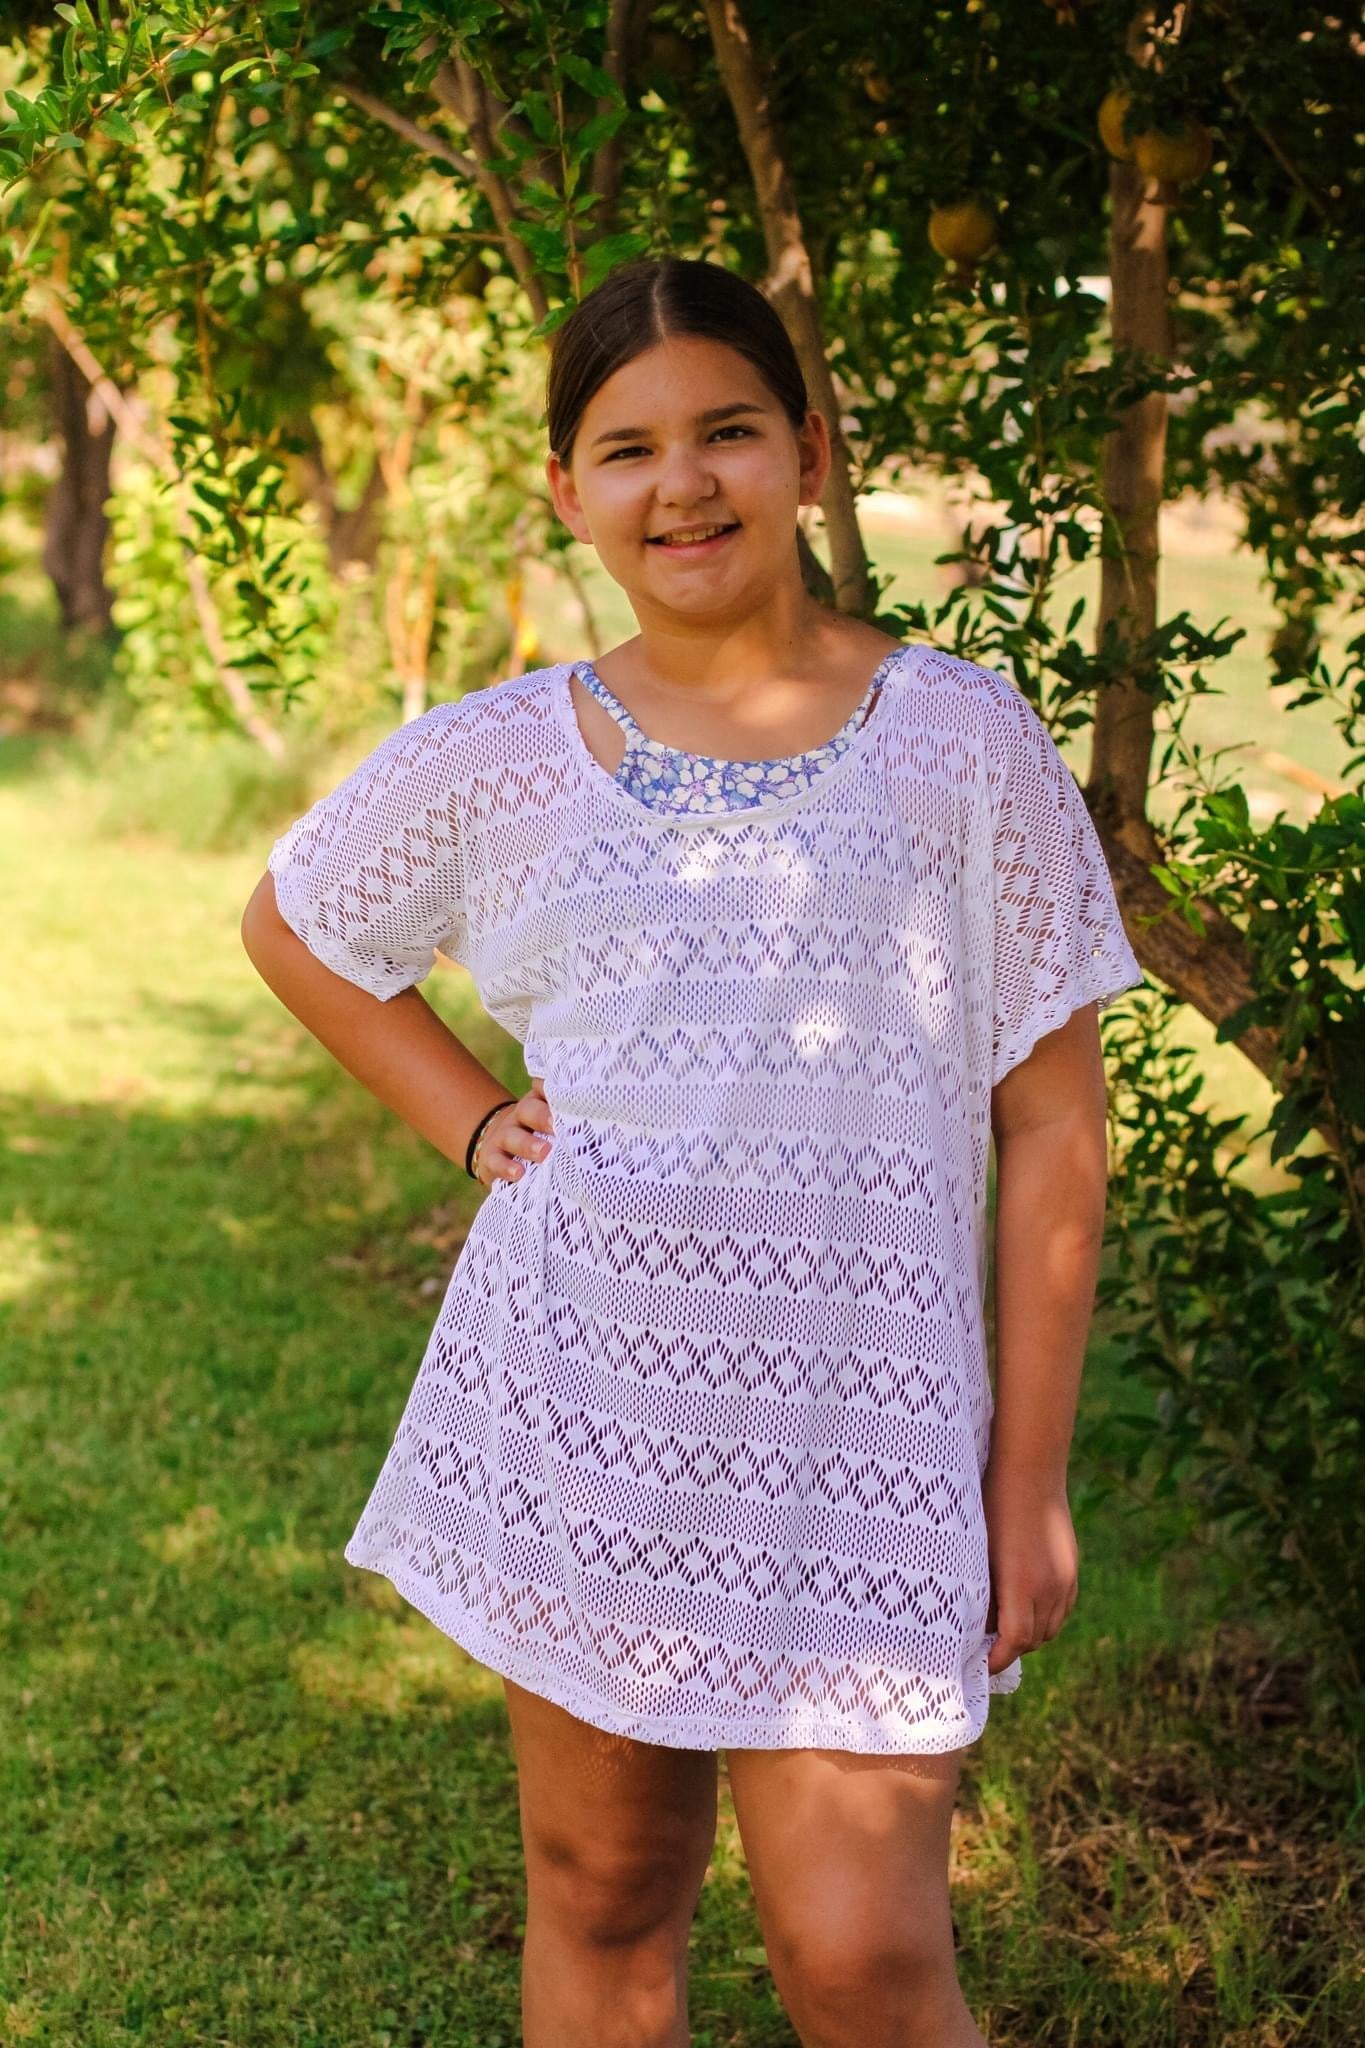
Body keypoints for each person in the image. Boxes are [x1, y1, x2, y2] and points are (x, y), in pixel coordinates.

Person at [241, 255, 1144, 2048]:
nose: (683, 485)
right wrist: (470, 1117)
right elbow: (296, 926)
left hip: (862, 1442)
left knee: (860, 1957)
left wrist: (1027, 1480)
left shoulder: (960, 741)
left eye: (727, 431)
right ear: (564, 492)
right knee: (601, 1891)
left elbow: (1052, 1121)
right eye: (627, 448)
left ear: (808, 450)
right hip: (586, 1411)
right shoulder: (503, 757)